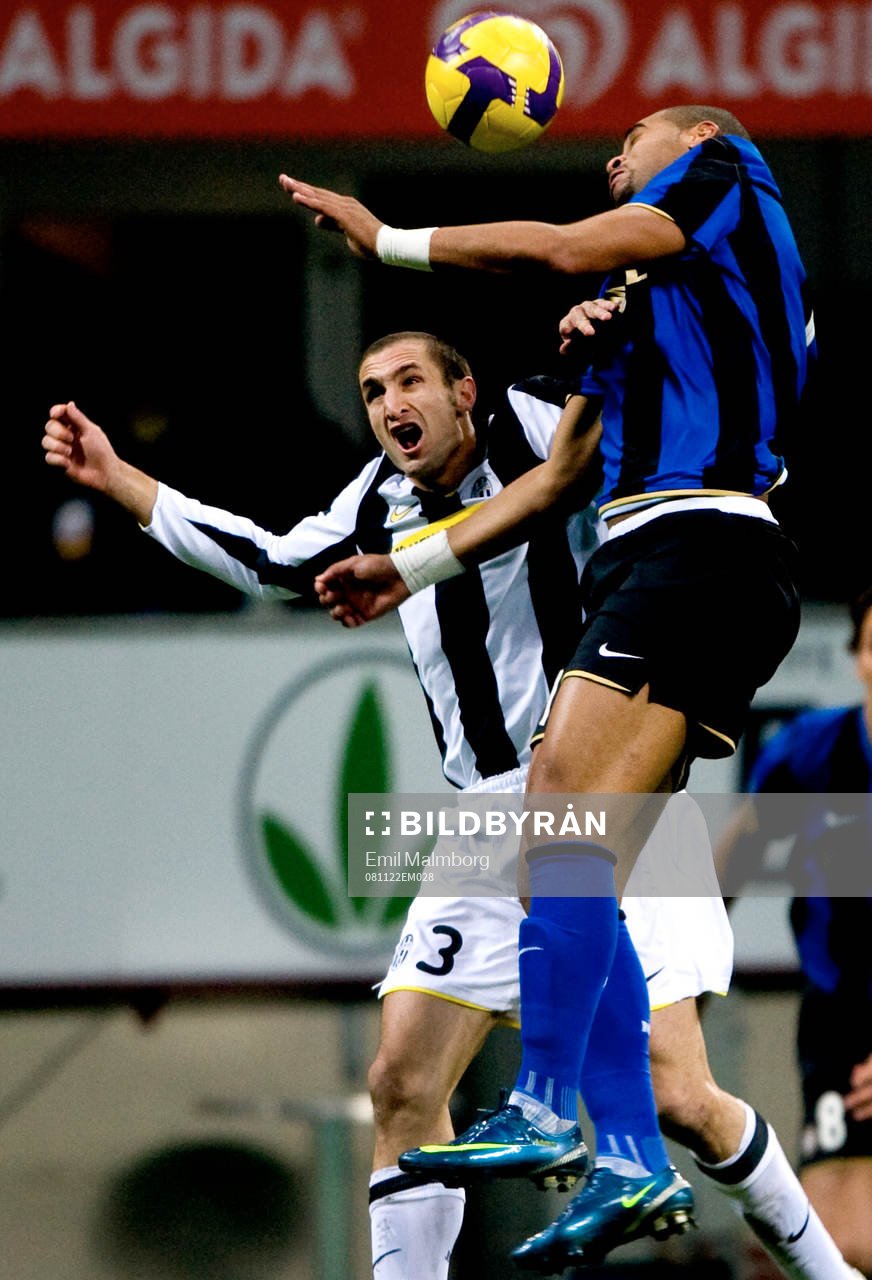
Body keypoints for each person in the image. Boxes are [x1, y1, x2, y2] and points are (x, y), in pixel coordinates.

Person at [42, 330, 856, 1280]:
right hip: (482, 818)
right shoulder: (375, 502)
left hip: (615, 794)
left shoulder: (550, 422)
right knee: (402, 1081)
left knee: (681, 1096)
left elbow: (674, 403)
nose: (392, 407)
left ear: (464, 389)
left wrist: (733, 323)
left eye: (411, 382)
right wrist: (126, 482)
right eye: (374, 390)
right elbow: (267, 559)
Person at [286, 105, 816, 1270]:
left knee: (550, 821)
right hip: (671, 557)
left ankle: (547, 1103)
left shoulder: (721, 172)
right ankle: (621, 1151)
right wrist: (407, 560)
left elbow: (566, 240)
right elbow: (549, 483)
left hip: (697, 546)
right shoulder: (659, 302)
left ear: (691, 138)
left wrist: (389, 242)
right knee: (568, 844)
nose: (613, 153)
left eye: (632, 137)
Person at [716, 586, 872, 1277]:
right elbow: (729, 869)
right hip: (840, 1026)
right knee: (835, 1243)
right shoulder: (809, 755)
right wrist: (672, 990)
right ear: (857, 658)